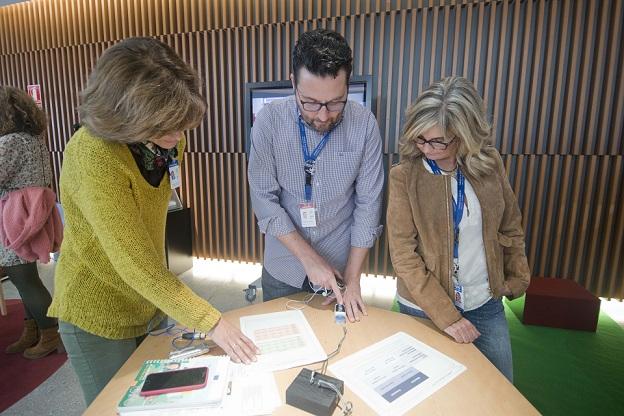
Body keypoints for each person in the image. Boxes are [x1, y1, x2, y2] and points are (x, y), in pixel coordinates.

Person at [47, 37, 259, 406]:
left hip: (149, 302)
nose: (178, 138)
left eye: (181, 125)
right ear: (124, 116)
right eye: (165, 127)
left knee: (163, 402)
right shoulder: (92, 154)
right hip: (96, 313)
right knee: (114, 407)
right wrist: (211, 320)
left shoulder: (164, 140)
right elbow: (132, 261)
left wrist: (168, 307)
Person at [387, 76, 530, 382]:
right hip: (424, 305)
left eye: (437, 140)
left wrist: (516, 276)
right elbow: (403, 255)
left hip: (483, 300)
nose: (426, 148)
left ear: (464, 135)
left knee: (500, 388)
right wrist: (446, 315)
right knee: (432, 394)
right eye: (420, 138)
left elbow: (510, 225)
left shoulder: (489, 164)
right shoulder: (405, 177)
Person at [248, 29, 384, 322]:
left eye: (336, 103)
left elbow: (368, 205)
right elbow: (264, 200)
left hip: (342, 267)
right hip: (284, 267)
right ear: (293, 82)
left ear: (348, 84)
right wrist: (309, 259)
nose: (323, 116)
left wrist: (353, 278)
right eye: (310, 102)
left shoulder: (364, 126)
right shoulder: (269, 122)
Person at [0, 85, 63, 359]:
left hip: (15, 215)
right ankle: (33, 329)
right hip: (33, 213)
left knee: (23, 279)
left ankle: (50, 333)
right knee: (28, 276)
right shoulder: (33, 138)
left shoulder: (8, 142)